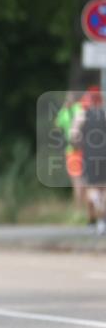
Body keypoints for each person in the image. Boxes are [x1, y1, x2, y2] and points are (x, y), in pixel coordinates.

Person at [71, 87, 106, 235]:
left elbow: (73, 136)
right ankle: (101, 221)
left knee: (91, 189)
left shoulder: (82, 115)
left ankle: (97, 219)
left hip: (90, 156)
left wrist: (79, 144)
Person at [57, 91, 94, 224]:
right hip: (86, 150)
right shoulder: (80, 108)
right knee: (87, 183)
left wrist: (64, 107)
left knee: (77, 183)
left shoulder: (64, 113)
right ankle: (89, 213)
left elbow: (57, 125)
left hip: (72, 150)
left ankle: (79, 212)